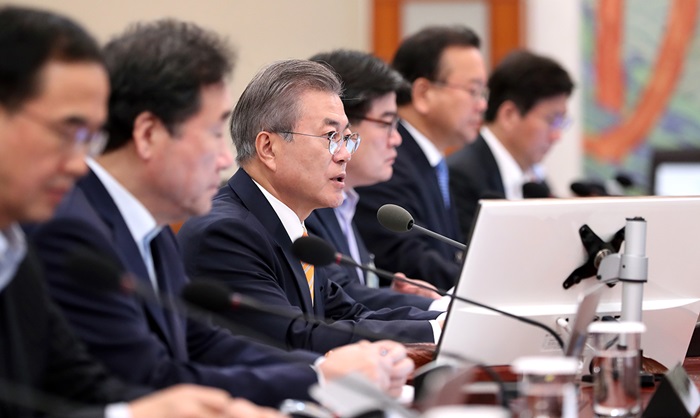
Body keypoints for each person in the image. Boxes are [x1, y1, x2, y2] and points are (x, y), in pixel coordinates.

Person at [28, 19, 412, 408]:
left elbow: (202, 340)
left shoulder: (152, 229)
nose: (226, 157)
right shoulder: (74, 231)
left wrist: (317, 371)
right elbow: (150, 377)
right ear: (148, 135)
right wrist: (319, 377)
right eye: (213, 131)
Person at [0, 5, 284, 418]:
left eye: (91, 139)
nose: (80, 164)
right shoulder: (61, 232)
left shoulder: (15, 251)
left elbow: (81, 385)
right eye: (68, 132)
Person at [178, 59, 442, 355]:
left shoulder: (289, 227)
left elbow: (350, 315)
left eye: (346, 138)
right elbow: (295, 337)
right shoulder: (226, 233)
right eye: (330, 137)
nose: (344, 154)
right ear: (268, 148)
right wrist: (439, 331)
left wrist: (445, 322)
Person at [305, 49, 443, 311]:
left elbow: (347, 293)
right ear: (341, 124)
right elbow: (336, 296)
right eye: (386, 123)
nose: (397, 139)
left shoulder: (348, 201)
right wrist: (437, 309)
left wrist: (387, 293)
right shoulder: (309, 206)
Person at [353, 26, 488, 290]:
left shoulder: (433, 163)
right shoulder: (385, 160)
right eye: (473, 91)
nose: (482, 105)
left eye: (484, 93)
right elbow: (408, 260)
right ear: (423, 93)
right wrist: (489, 287)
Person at [447, 50, 574, 238]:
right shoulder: (461, 177)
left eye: (562, 123)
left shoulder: (536, 180)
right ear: (509, 115)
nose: (557, 136)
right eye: (551, 120)